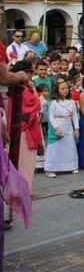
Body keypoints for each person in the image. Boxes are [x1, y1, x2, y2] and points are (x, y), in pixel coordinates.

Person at [5, 61, 41, 189]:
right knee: (24, 170)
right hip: (24, 133)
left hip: (16, 132)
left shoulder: (13, 88)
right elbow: (35, 106)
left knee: (18, 168)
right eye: (29, 72)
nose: (31, 75)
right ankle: (22, 199)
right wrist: (34, 89)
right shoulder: (24, 90)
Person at [44, 78, 79, 177]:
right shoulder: (53, 102)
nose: (65, 90)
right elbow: (51, 117)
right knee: (54, 148)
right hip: (58, 126)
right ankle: (50, 169)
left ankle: (70, 166)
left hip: (68, 127)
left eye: (66, 88)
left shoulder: (72, 102)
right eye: (62, 88)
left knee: (69, 147)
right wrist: (56, 128)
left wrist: (76, 128)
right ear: (57, 90)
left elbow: (74, 116)